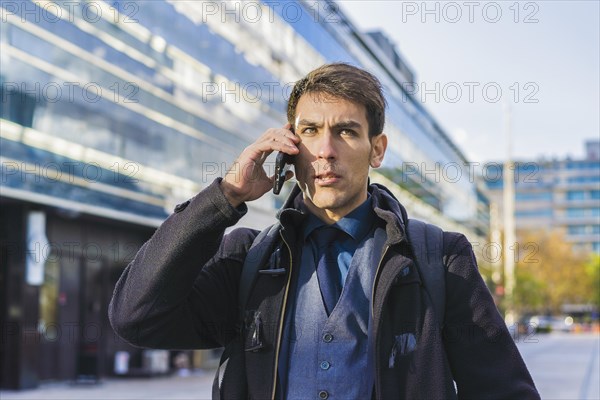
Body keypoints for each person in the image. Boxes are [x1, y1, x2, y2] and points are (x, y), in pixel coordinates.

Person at [109, 63, 539, 399]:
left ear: (377, 149)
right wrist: (225, 197)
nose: (326, 150)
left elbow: (504, 392)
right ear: (289, 147)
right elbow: (136, 317)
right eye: (310, 131)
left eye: (346, 131)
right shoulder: (248, 260)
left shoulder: (437, 259)